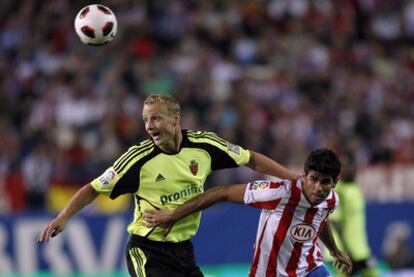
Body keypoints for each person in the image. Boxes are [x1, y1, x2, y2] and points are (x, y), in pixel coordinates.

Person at [37, 93, 300, 277]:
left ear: (176, 118)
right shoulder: (138, 160)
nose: (150, 126)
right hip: (147, 251)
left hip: (184, 251)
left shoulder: (204, 145)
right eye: (146, 120)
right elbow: (93, 188)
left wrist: (291, 178)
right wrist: (63, 217)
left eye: (156, 118)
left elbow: (251, 159)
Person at [144, 148, 353, 277]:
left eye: (325, 182)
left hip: (310, 269)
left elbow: (320, 220)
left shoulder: (331, 200)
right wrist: (174, 214)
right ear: (304, 175)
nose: (318, 187)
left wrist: (334, 250)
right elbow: (222, 192)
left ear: (334, 183)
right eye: (313, 179)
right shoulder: (281, 192)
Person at [325, 153, 379, 277]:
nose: (348, 169)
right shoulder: (339, 191)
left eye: (350, 165)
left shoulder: (356, 188)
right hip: (344, 251)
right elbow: (335, 223)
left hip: (361, 250)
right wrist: (344, 252)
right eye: (344, 166)